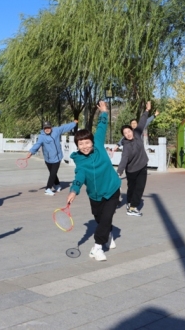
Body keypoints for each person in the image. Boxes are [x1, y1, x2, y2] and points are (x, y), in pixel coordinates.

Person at [66, 101, 121, 261]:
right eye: (80, 144)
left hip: (112, 188)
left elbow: (102, 126)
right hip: (95, 195)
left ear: (92, 141)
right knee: (99, 218)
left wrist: (104, 112)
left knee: (106, 218)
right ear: (77, 145)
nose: (84, 146)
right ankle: (108, 233)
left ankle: (96, 248)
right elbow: (79, 177)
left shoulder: (98, 144)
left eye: (87, 142)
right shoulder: (80, 161)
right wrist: (73, 191)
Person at [117, 101, 152, 216]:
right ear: (124, 135)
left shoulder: (137, 134)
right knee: (131, 188)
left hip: (142, 166)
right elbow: (124, 159)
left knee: (140, 187)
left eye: (128, 131)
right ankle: (129, 202)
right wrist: (119, 172)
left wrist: (147, 110)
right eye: (125, 133)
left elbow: (142, 122)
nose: (127, 134)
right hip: (131, 170)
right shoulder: (126, 146)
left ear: (132, 130)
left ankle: (132, 207)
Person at [26, 119, 78, 195]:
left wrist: (73, 123)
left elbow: (65, 127)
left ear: (51, 127)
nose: (47, 129)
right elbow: (37, 144)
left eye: (48, 127)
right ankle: (57, 185)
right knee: (53, 173)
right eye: (45, 128)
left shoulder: (56, 130)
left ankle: (48, 188)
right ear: (43, 129)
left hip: (57, 157)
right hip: (48, 159)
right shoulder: (42, 136)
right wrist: (31, 152)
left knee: (53, 173)